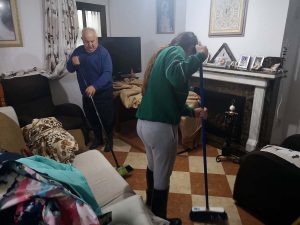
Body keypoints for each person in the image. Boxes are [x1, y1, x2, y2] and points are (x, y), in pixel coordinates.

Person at [136, 32, 208, 225]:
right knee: (162, 177)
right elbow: (177, 76)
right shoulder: (176, 52)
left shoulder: (163, 55)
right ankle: (160, 221)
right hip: (160, 129)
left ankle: (150, 213)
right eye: (194, 51)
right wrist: (200, 56)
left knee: (153, 168)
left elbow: (170, 98)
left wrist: (193, 112)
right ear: (190, 47)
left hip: (144, 124)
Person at [67, 27, 114, 151]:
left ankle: (109, 141)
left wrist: (95, 86)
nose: (91, 44)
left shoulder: (103, 53)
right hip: (87, 94)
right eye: (87, 42)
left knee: (107, 119)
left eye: (93, 41)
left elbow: (107, 73)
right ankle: (98, 139)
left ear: (97, 39)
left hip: (103, 93)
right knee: (92, 118)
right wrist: (73, 63)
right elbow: (70, 69)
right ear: (82, 40)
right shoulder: (78, 51)